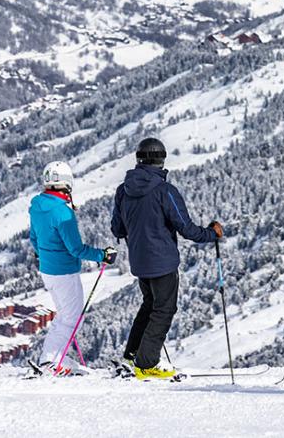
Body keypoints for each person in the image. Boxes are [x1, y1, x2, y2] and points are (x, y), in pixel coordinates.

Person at [111, 136, 223, 380]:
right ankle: (146, 364)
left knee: (149, 306)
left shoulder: (123, 190)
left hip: (139, 262)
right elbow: (186, 229)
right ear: (161, 161)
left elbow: (117, 229)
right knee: (164, 309)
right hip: (162, 262)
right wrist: (212, 234)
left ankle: (131, 356)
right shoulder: (165, 191)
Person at [29, 159, 116, 371]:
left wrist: (45, 256)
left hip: (47, 270)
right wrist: (102, 255)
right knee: (71, 318)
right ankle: (51, 360)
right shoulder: (62, 212)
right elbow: (75, 248)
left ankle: (55, 358)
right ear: (67, 183)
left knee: (66, 315)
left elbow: (34, 239)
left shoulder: (37, 206)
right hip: (64, 271)